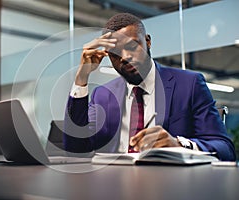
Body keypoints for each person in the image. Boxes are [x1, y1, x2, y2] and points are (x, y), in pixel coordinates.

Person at [63, 13, 236, 161]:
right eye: (115, 53)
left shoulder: (189, 84)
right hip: (114, 185)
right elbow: (76, 148)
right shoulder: (103, 94)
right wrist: (81, 78)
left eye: (132, 46)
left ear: (148, 42)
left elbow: (225, 149)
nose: (125, 57)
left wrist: (178, 144)